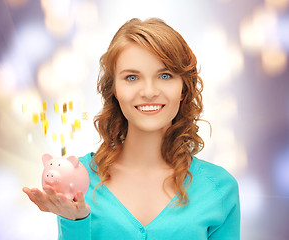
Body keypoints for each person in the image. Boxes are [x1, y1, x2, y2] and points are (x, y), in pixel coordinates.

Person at [23, 18, 240, 239]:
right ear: (115, 90)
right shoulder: (77, 180)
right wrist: (75, 223)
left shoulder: (220, 188)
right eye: (132, 77)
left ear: (183, 88)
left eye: (165, 75)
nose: (148, 91)